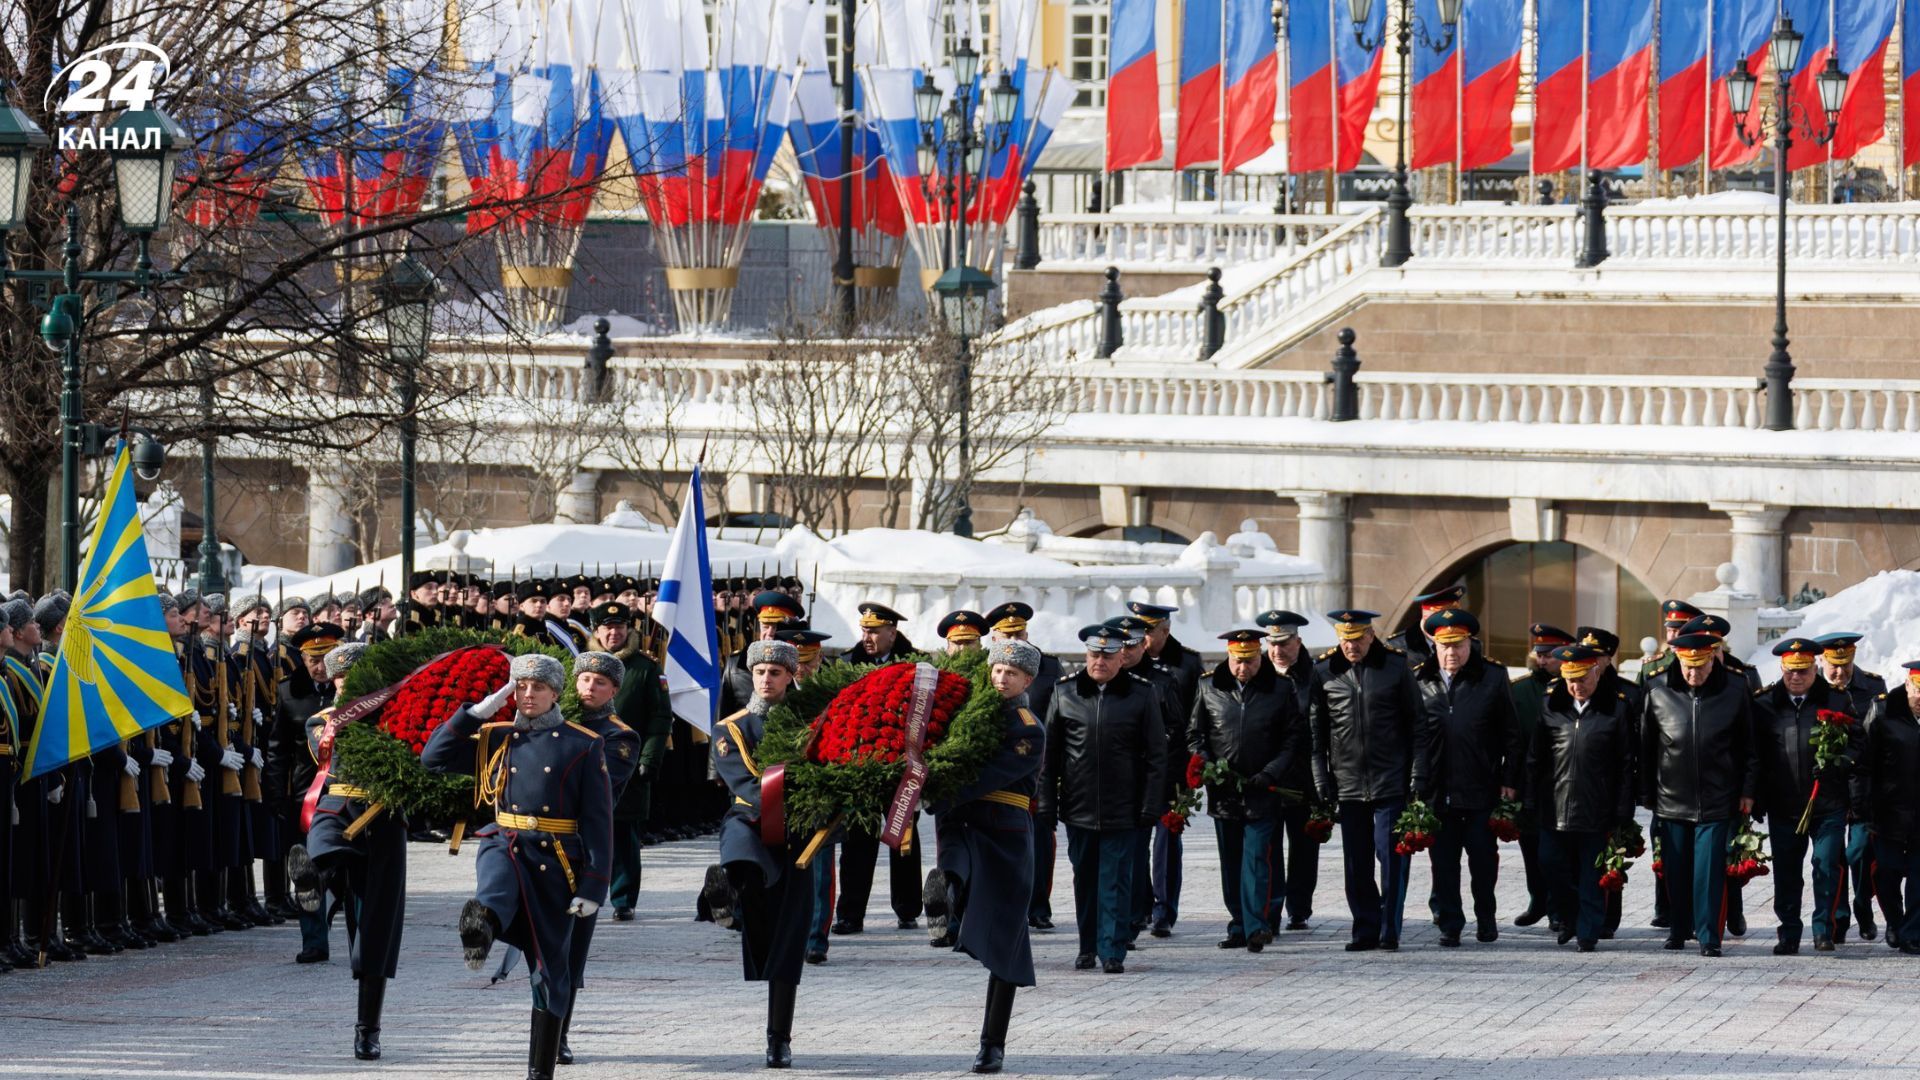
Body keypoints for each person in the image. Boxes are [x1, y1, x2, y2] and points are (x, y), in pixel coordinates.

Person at [424, 653, 614, 1080]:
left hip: (556, 858)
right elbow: (433, 759)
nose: (528, 695)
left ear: (555, 693)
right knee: (495, 886)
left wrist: (593, 886)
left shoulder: (582, 743)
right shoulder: (496, 735)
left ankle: (540, 1070)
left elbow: (599, 821)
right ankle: (481, 925)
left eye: (538, 688)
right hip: (505, 841)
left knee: (550, 968)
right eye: (521, 687)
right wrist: (478, 711)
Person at [924, 640, 1046, 1074]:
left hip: (1003, 831)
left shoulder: (1028, 727)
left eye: (1011, 673)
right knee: (953, 864)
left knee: (1006, 943)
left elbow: (991, 773)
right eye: (996, 670)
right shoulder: (965, 714)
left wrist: (935, 788)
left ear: (1027, 681)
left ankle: (992, 1043)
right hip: (962, 819)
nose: (1000, 678)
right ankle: (943, 905)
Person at [287, 639, 407, 1060]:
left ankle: (367, 1029)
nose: (343, 687)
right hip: (337, 805)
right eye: (338, 679)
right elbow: (338, 750)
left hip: (383, 816)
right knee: (323, 849)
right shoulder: (324, 720)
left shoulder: (401, 715)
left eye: (351, 678)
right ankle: (314, 879)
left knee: (374, 929)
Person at [699, 639, 815, 1069]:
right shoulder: (732, 727)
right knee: (740, 856)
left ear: (790, 676)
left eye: (776, 673)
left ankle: (778, 1038)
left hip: (800, 833)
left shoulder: (813, 721)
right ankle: (723, 893)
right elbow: (744, 782)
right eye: (760, 672)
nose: (766, 679)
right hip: (750, 820)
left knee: (787, 941)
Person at [1040, 625, 1167, 974]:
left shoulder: (1141, 695)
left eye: (1108, 656)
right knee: (1086, 879)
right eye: (1094, 654)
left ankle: (1112, 950)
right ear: (1086, 655)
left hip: (1123, 807)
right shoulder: (1065, 693)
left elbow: (1157, 757)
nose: (1100, 661)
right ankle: (1087, 947)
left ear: (1120, 658)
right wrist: (1048, 805)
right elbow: (1048, 759)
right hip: (1078, 807)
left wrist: (1150, 805)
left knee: (1115, 879)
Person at [1311, 609, 1425, 952]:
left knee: (1390, 857)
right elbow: (1316, 734)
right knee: (1356, 862)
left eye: (1358, 638)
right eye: (1345, 639)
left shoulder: (1394, 668)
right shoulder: (1325, 672)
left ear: (1371, 636)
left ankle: (1390, 928)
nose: (1351, 646)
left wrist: (1417, 774)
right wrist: (1321, 778)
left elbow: (1417, 725)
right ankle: (1365, 927)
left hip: (1391, 778)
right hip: (1347, 782)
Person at [1642, 630, 1757, 957]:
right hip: (1672, 797)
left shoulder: (1735, 689)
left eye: (1701, 666)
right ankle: (1678, 930)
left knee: (1708, 871)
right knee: (1675, 870)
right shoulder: (1657, 689)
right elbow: (1647, 747)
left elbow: (1749, 746)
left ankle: (1709, 935)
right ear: (1677, 659)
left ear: (1711, 658)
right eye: (1687, 667)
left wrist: (1748, 790)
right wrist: (1648, 792)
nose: (1694, 674)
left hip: (1718, 797)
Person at [1189, 629, 1303, 952]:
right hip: (1224, 791)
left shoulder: (1280, 689)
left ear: (1260, 656)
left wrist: (1270, 772)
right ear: (1229, 657)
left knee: (1256, 858)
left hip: (1262, 788)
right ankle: (1239, 922)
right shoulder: (1208, 686)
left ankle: (1256, 926)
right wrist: (1208, 765)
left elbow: (1292, 738)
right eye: (1238, 661)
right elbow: (1195, 735)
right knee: (1232, 861)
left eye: (1250, 661)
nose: (1243, 668)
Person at [1414, 608, 1520, 947]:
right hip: (1437, 790)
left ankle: (1486, 918)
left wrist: (1509, 777)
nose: (1451, 653)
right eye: (1444, 645)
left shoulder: (1491, 677)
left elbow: (1511, 734)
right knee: (1443, 865)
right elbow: (1410, 735)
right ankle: (1450, 923)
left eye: (1457, 645)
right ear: (1434, 646)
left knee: (1482, 862)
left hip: (1480, 789)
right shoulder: (1420, 680)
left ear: (1470, 644)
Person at [556, 652, 642, 1066]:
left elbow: (599, 796)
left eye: (600, 682)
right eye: (584, 679)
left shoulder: (619, 736)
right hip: (533, 842)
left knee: (570, 950)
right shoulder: (550, 718)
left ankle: (559, 1033)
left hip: (580, 849)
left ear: (614, 690)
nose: (590, 687)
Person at [1527, 645, 1635, 952]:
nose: (1577, 686)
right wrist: (1530, 798)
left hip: (1597, 807)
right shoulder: (1552, 706)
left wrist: (1623, 807)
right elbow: (1535, 757)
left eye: (1583, 678)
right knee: (1551, 864)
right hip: (1555, 805)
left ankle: (1588, 931)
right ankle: (1570, 916)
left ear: (1597, 673)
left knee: (1592, 873)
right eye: (1571, 679)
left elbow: (1627, 763)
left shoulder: (1615, 708)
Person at [1753, 636, 1857, 954]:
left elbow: (1859, 745)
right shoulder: (1764, 703)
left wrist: (1838, 763)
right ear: (1782, 669)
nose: (1796, 677)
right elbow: (1753, 753)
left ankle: (1824, 929)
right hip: (1784, 804)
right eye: (1790, 671)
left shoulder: (1837, 701)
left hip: (1828, 803)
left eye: (1803, 671)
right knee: (1786, 872)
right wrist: (1755, 796)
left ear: (1815, 668)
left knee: (1826, 865)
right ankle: (1789, 932)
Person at [833, 602, 923, 934]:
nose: (867, 637)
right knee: (857, 842)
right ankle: (850, 913)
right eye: (864, 630)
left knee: (904, 839)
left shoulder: (917, 665)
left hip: (901, 767)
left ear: (892, 632)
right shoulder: (846, 664)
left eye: (874, 631)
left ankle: (908, 907)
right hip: (860, 769)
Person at [592, 602, 673, 924]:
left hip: (627, 762)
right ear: (596, 630)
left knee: (624, 835)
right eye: (608, 627)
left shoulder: (645, 668)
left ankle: (623, 899)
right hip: (588, 761)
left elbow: (660, 717)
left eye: (621, 627)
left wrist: (649, 758)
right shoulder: (581, 666)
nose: (614, 633)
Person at [985, 602, 1063, 933]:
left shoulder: (1048, 668)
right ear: (994, 637)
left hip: (1039, 765)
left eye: (1018, 634)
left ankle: (1039, 906)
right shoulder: (989, 671)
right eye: (1006, 635)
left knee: (1040, 839)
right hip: (1000, 766)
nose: (1013, 640)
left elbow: (1060, 717)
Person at [1130, 602, 1201, 941]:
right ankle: (1141, 904)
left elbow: (1192, 718)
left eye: (1150, 631)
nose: (1143, 638)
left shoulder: (1187, 664)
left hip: (1173, 766)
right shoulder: (1127, 663)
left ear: (1165, 631)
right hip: (1136, 770)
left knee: (1167, 841)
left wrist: (1191, 769)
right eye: (1139, 631)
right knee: (1136, 840)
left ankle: (1164, 910)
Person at [274, 623, 343, 964]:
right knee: (306, 871)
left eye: (327, 656)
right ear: (301, 658)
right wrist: (276, 795)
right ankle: (314, 940)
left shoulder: (352, 690)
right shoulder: (289, 692)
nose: (320, 665)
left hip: (346, 792)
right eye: (312, 658)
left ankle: (358, 933)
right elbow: (278, 749)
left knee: (345, 870)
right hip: (307, 795)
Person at [1819, 631, 1887, 944]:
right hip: (1831, 787)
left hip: (1864, 785)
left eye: (1845, 664)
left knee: (1859, 851)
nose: (1839, 672)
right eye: (1834, 664)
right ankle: (1839, 917)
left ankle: (1863, 905)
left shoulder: (1873, 686)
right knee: (1834, 856)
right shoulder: (1815, 689)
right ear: (1822, 660)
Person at [1257, 608, 1321, 930]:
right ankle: (1271, 908)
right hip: (1270, 775)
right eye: (1272, 643)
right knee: (1269, 847)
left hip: (1306, 775)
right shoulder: (1259, 675)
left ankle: (1300, 906)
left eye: (1284, 643)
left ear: (1298, 641)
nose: (1277, 650)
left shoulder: (1316, 674)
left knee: (1304, 846)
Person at [1852, 662, 1920, 955]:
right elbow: (1863, 762)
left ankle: (1912, 932)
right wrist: (1860, 804)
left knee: (1919, 876)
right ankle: (1895, 920)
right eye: (1919, 690)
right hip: (1888, 810)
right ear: (1908, 685)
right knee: (1888, 872)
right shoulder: (1882, 712)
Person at [1509, 624, 1572, 930]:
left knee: (1558, 852)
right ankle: (1538, 900)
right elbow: (1509, 739)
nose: (1544, 660)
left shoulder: (1572, 686)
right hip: (1527, 782)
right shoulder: (1519, 690)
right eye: (1540, 653)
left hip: (1562, 782)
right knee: (1531, 848)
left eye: (1550, 654)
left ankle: (1559, 907)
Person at [1387, 585, 1466, 668]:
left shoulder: (1469, 644)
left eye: (1454, 621)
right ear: (1426, 617)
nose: (1449, 628)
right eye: (1440, 622)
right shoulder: (1396, 648)